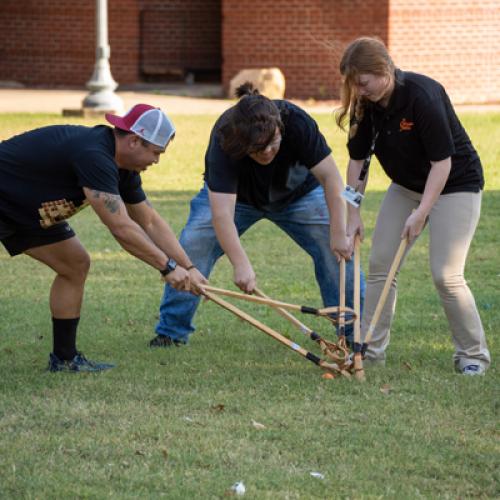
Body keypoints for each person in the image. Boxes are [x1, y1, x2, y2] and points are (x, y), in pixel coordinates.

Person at [151, 82, 365, 348]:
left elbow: (331, 177)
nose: (266, 153)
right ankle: (171, 332)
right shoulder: (225, 137)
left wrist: (337, 233)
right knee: (195, 241)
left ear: (280, 129)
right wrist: (240, 263)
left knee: (337, 250)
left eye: (272, 144)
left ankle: (353, 336)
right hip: (238, 199)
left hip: (300, 194)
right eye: (256, 149)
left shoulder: (296, 121)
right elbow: (221, 214)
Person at [0, 104, 207, 372]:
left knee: (75, 264)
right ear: (134, 141)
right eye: (156, 152)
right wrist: (167, 267)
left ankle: (64, 360)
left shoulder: (126, 169)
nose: (156, 161)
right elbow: (121, 227)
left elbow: (150, 221)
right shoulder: (94, 154)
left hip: (28, 211)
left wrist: (188, 267)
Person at [336, 37, 490, 375]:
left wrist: (422, 213)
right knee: (380, 266)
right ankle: (369, 353)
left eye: (363, 83)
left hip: (454, 184)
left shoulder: (422, 95)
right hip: (406, 187)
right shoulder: (365, 104)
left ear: (384, 70)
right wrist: (353, 214)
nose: (359, 91)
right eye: (354, 85)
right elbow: (357, 162)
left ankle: (473, 356)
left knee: (446, 275)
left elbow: (442, 163)